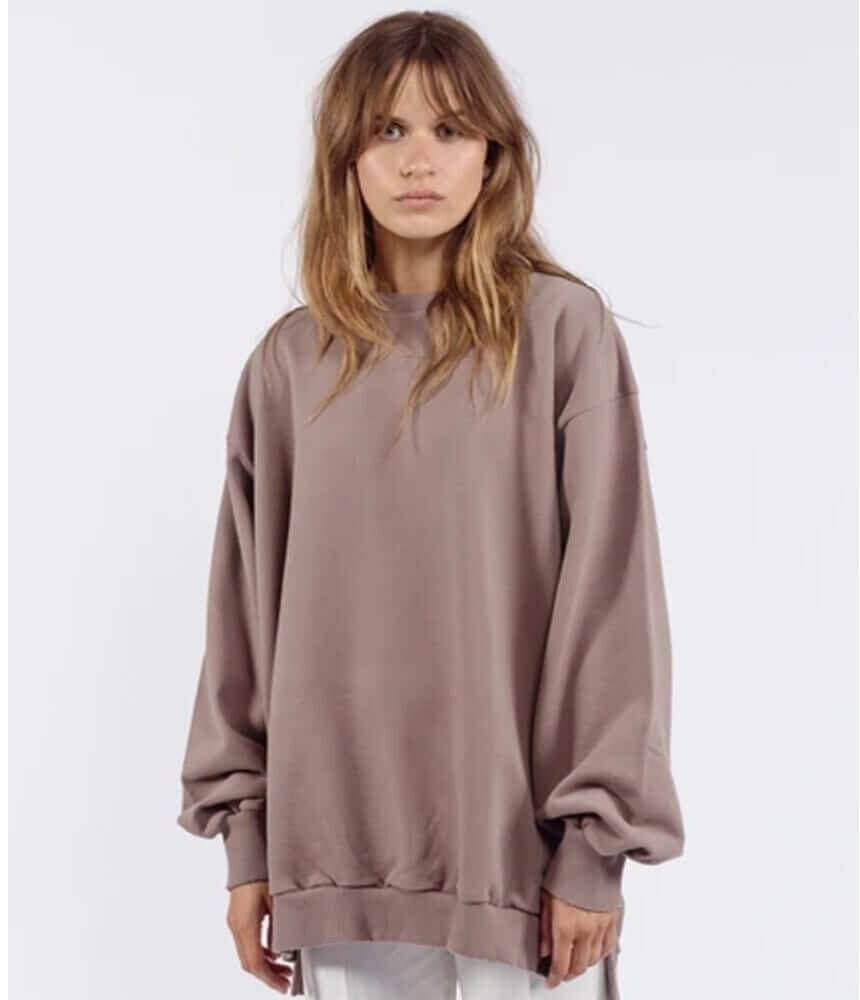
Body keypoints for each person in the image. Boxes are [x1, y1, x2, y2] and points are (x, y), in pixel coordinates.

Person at [176, 10, 685, 1000]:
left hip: (520, 867)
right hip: (334, 860)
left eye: (450, 130)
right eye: (388, 130)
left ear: (493, 155)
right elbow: (242, 618)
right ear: (346, 156)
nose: (419, 160)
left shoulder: (560, 333)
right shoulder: (289, 364)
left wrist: (593, 848)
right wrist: (248, 844)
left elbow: (612, 594)